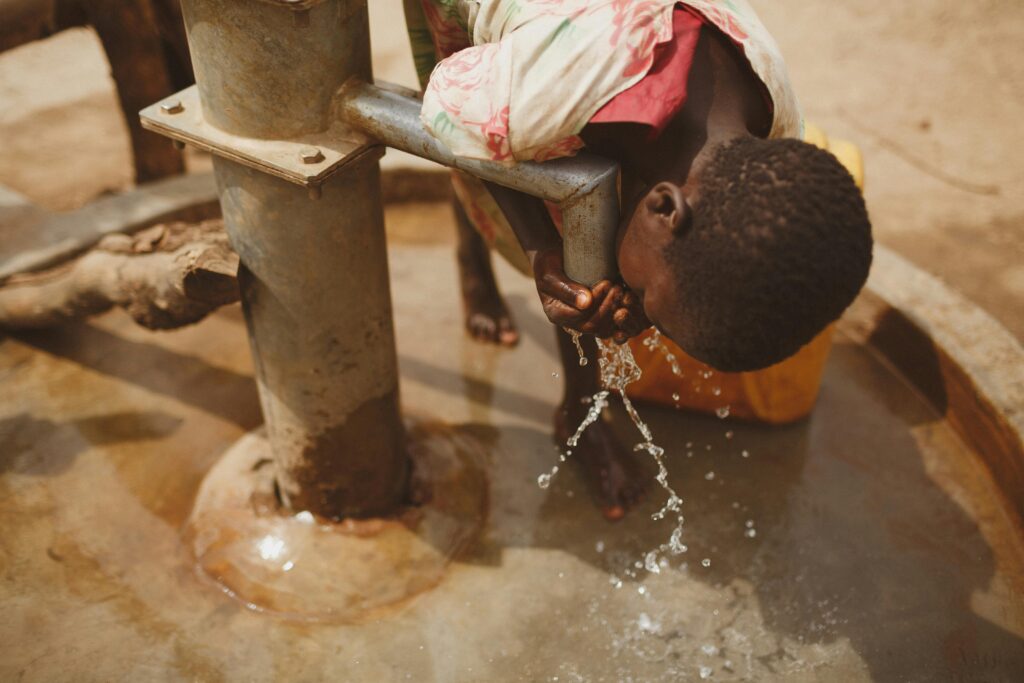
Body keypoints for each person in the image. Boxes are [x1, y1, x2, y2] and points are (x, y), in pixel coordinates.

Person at [405, 0, 873, 519]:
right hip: (521, 41)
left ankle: (579, 411)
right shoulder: (554, 91)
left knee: (579, 209)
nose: (637, 318)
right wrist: (543, 250)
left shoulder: (774, 114)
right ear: (663, 208)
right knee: (498, 148)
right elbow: (450, 112)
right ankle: (474, 263)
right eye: (653, 306)